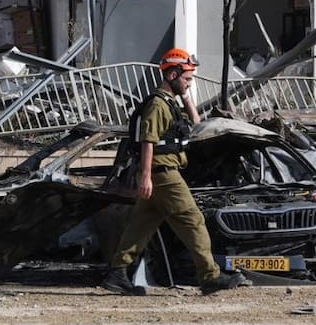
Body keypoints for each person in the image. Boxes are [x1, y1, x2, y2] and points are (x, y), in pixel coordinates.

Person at [101, 48, 248, 296]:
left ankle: (117, 273)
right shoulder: (157, 105)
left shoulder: (169, 102)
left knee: (141, 225)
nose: (189, 83)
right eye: (186, 78)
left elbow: (196, 121)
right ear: (171, 74)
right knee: (194, 220)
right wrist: (146, 176)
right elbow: (149, 140)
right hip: (163, 173)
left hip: (161, 173)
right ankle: (210, 276)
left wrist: (186, 95)